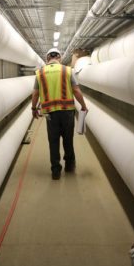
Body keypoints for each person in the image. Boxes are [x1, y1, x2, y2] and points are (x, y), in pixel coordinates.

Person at [31, 48, 88, 180]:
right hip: (67, 112)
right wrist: (83, 106)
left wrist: (34, 108)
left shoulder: (40, 73)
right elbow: (76, 90)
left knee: (53, 141)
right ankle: (69, 166)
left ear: (47, 59)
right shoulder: (67, 70)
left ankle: (56, 170)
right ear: (60, 58)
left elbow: (35, 94)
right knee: (68, 139)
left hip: (50, 114)